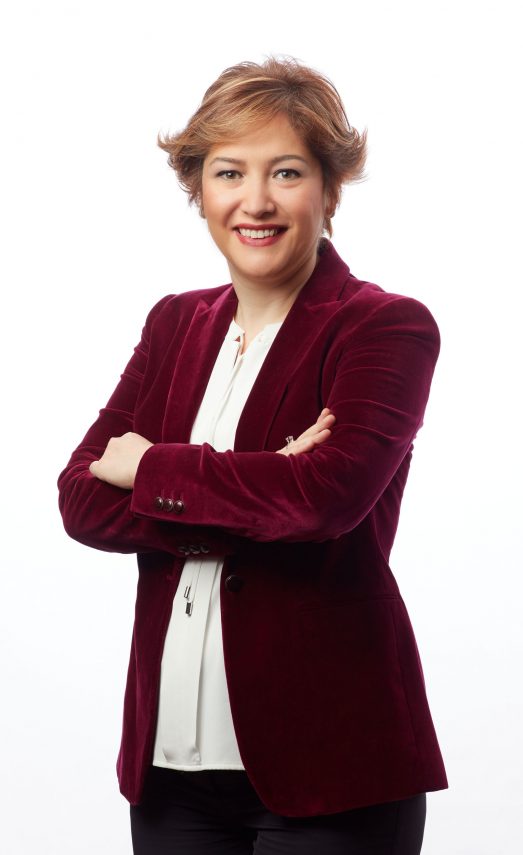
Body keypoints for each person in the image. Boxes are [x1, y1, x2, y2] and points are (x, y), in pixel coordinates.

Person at [58, 57, 448, 855]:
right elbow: (80, 498)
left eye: (287, 172)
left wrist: (153, 470)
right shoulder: (173, 322)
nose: (256, 201)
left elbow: (324, 498)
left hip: (333, 766)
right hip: (170, 769)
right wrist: (262, 482)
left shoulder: (383, 327)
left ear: (329, 190)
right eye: (229, 172)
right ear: (198, 190)